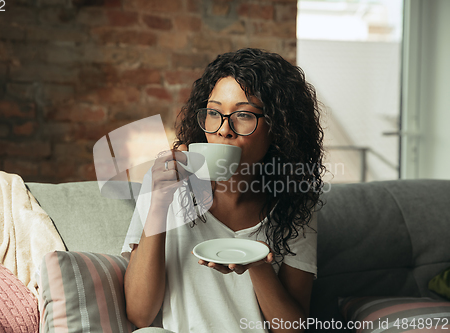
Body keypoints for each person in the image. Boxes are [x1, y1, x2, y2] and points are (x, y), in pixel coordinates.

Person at [121, 48, 325, 333]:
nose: (223, 130)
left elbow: (291, 329)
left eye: (243, 115)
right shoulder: (165, 185)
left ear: (279, 128)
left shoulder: (296, 203)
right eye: (214, 113)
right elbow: (139, 315)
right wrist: (158, 206)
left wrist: (258, 265)